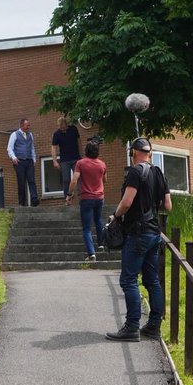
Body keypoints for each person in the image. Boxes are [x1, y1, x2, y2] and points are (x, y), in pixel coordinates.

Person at [105, 137, 171, 342]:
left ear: (133, 152)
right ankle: (153, 327)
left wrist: (115, 216)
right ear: (149, 153)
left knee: (128, 280)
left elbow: (127, 201)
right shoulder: (158, 172)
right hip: (154, 233)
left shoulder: (134, 172)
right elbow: (168, 206)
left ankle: (132, 327)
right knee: (152, 281)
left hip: (137, 233)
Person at [66, 140, 107, 261]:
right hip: (99, 197)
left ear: (86, 151)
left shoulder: (81, 163)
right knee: (99, 219)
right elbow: (105, 180)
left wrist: (69, 194)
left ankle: (91, 254)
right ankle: (101, 244)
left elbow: (74, 180)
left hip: (86, 198)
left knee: (86, 227)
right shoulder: (102, 164)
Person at [7, 117, 38, 207]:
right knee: (21, 182)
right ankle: (22, 202)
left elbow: (32, 148)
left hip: (29, 161)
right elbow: (9, 148)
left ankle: (34, 199)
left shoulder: (30, 135)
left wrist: (34, 159)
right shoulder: (14, 134)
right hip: (19, 162)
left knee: (31, 180)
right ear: (21, 125)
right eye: (27, 125)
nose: (29, 127)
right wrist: (13, 157)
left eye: (29, 125)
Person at [50, 114, 81, 200]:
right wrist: (55, 161)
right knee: (66, 179)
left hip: (75, 158)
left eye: (62, 125)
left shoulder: (73, 129)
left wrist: (81, 155)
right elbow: (53, 147)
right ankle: (67, 198)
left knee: (79, 178)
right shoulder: (56, 134)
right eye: (59, 126)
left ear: (65, 124)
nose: (61, 127)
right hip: (64, 160)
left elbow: (79, 141)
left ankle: (82, 197)